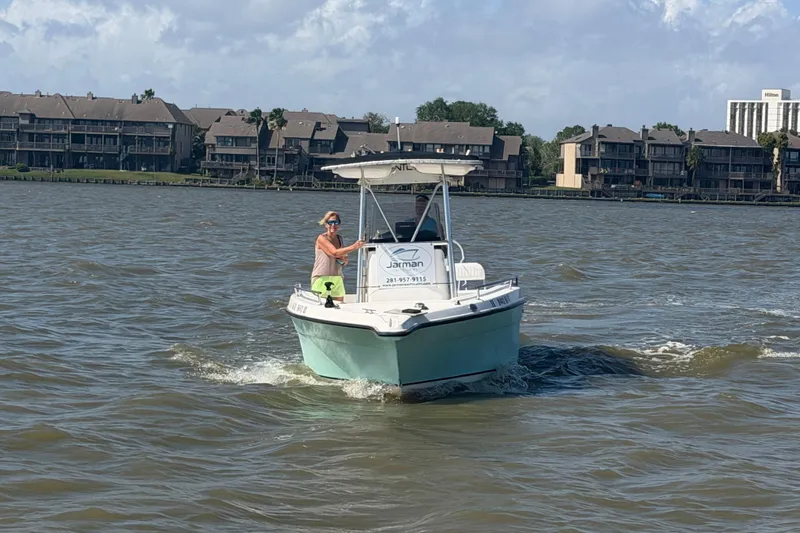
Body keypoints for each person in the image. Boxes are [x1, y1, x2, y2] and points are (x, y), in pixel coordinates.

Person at [311, 211, 364, 301]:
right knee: (324, 306)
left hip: (337, 278)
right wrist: (354, 246)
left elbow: (343, 258)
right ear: (326, 224)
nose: (333, 225)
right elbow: (334, 252)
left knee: (340, 306)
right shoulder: (321, 238)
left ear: (339, 224)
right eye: (330, 222)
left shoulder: (339, 238)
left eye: (336, 222)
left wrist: (344, 260)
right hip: (321, 278)